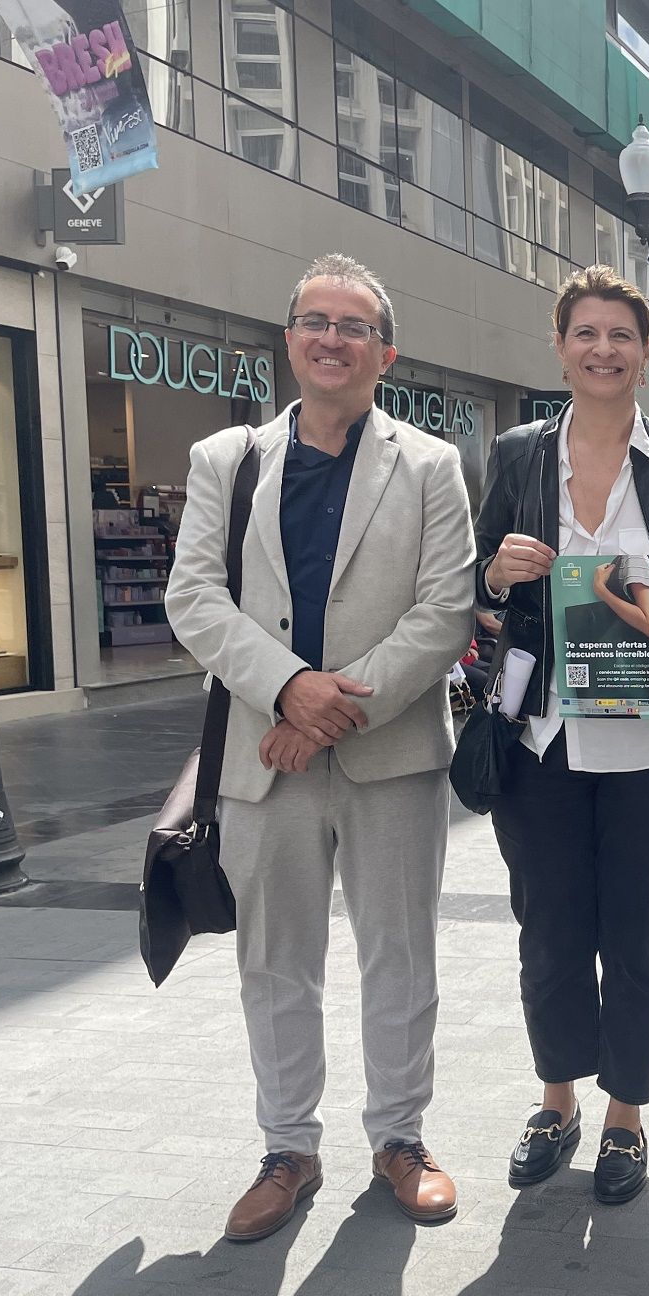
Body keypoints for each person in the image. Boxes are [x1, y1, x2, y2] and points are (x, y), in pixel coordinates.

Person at [165, 254, 474, 1242]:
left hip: (392, 757)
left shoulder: (430, 466)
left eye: (353, 326)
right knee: (274, 963)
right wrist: (289, 691)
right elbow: (193, 599)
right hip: (263, 759)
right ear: (289, 337)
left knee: (400, 956)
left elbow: (445, 612)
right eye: (315, 321)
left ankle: (400, 1138)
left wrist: (332, 711)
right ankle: (287, 1150)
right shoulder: (228, 461)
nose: (331, 339)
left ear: (386, 353)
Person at [474, 266, 649, 1206]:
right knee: (547, 932)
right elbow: (474, 583)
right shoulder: (517, 455)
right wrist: (495, 573)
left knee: (639, 935)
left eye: (621, 334)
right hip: (540, 739)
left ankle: (626, 1113)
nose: (603, 349)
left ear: (646, 351)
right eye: (585, 332)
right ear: (559, 348)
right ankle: (557, 1101)